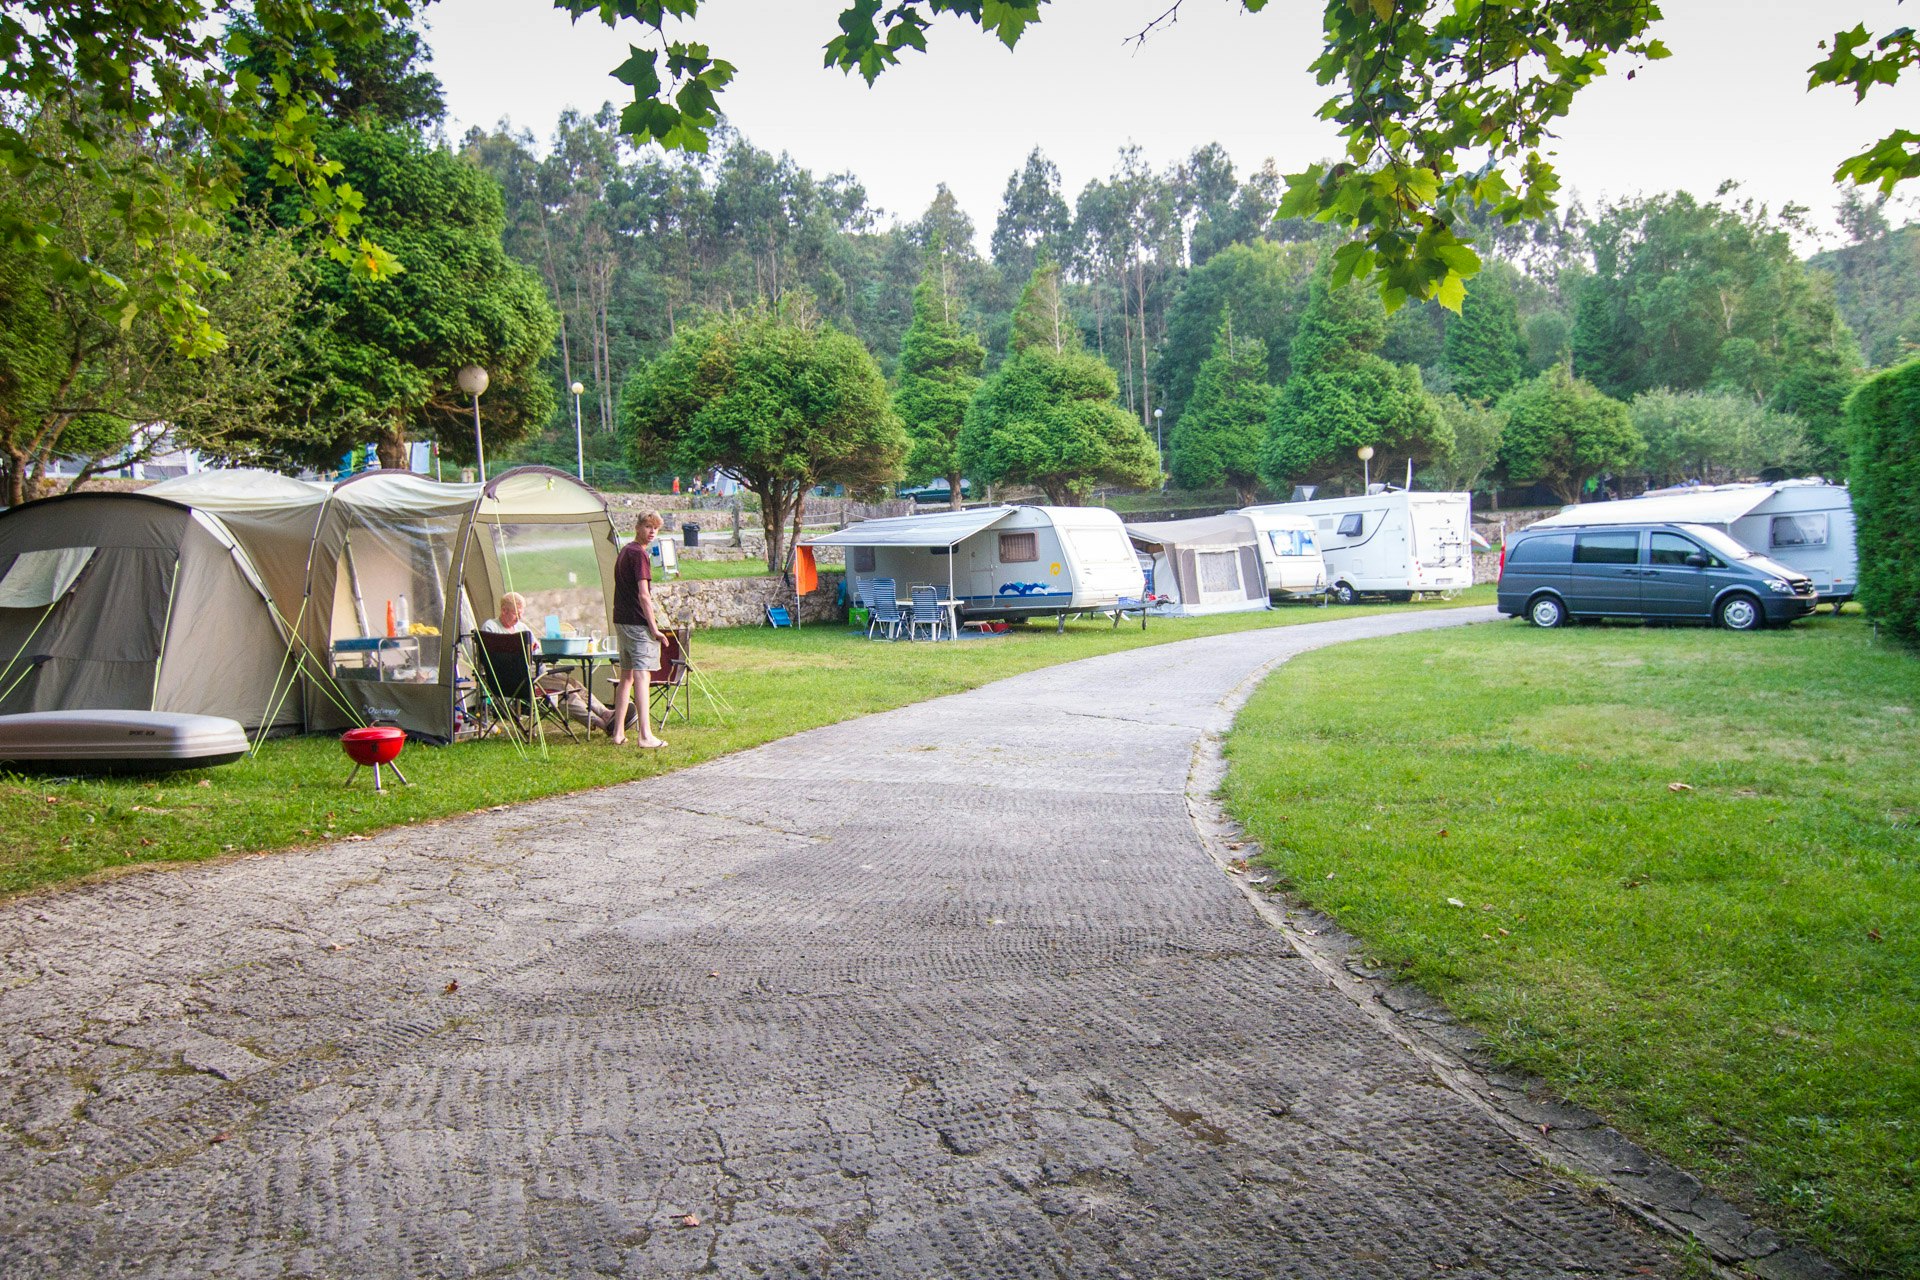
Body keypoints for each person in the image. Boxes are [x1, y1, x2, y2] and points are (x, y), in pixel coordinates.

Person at [481, 592, 616, 733]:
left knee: (575, 684)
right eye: (516, 614)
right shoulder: (491, 628)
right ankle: (601, 723)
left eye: (521, 614)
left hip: (538, 674)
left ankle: (604, 712)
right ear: (504, 610)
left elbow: (537, 649)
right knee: (566, 690)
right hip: (519, 680)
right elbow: (490, 660)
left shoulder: (522, 628)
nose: (520, 618)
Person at [610, 511, 669, 748]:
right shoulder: (638, 555)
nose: (652, 532)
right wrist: (654, 629)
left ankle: (618, 732)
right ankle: (645, 735)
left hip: (621, 620)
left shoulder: (625, 551)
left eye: (656, 528)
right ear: (637, 527)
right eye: (647, 526)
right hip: (635, 622)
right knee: (642, 675)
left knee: (626, 676)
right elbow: (644, 595)